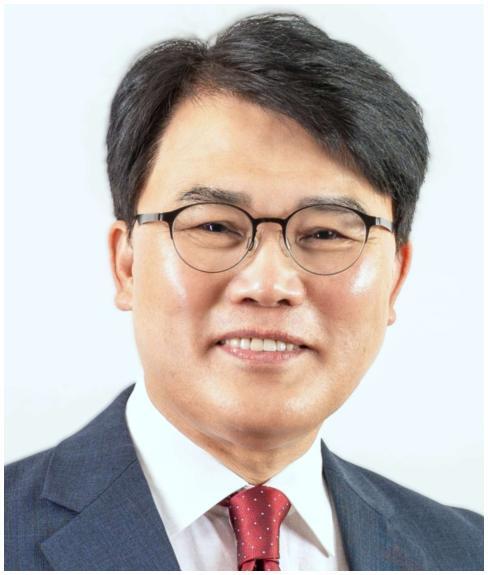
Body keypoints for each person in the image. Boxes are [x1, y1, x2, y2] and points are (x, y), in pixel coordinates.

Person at [4, 12, 483, 571]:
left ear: (395, 277)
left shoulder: (465, 551)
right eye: (214, 226)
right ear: (126, 263)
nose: (269, 284)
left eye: (326, 234)